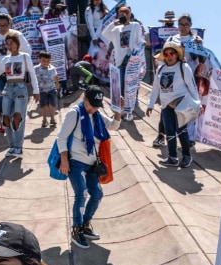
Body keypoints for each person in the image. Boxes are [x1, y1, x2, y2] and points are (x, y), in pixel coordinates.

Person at [57, 85, 121, 249]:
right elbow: (61, 138)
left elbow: (113, 126)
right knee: (81, 193)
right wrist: (64, 160)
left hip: (92, 163)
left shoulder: (97, 115)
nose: (93, 108)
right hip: (76, 162)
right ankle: (76, 229)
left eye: (97, 105)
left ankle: (85, 224)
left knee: (97, 194)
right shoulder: (75, 113)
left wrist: (118, 111)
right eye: (91, 104)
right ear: (84, 99)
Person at [146, 40, 198, 168]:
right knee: (169, 131)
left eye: (172, 54)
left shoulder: (183, 67)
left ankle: (186, 156)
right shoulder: (161, 69)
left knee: (181, 130)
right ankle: (172, 157)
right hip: (166, 105)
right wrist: (150, 104)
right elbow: (155, 88)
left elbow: (192, 86)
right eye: (167, 54)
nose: (169, 57)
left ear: (176, 55)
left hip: (181, 102)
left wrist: (198, 103)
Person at [0, 32, 39, 157]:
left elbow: (32, 74)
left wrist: (36, 90)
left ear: (17, 43)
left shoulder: (24, 56)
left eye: (12, 43)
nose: (9, 46)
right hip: (7, 88)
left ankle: (18, 147)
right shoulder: (5, 59)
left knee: (18, 117)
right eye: (7, 44)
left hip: (21, 88)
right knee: (5, 118)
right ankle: (11, 146)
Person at [0, 13, 32, 132]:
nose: (2, 28)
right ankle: (4, 120)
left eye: (5, 25)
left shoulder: (17, 35)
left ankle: (15, 119)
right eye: (0, 25)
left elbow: (28, 51)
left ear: (10, 24)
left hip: (14, 71)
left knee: (15, 97)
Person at [101, 4, 143, 121]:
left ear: (129, 14)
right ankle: (121, 110)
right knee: (120, 86)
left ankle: (128, 111)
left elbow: (139, 41)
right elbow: (104, 33)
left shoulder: (135, 25)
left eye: (125, 13)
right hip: (120, 61)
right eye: (120, 14)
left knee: (129, 86)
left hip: (131, 61)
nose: (123, 16)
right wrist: (114, 23)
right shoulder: (116, 29)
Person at [35, 50, 59, 129]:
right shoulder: (36, 69)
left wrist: (57, 83)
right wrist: (35, 90)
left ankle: (52, 118)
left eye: (48, 61)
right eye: (43, 61)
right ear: (39, 59)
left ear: (50, 60)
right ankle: (44, 119)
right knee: (43, 105)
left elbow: (55, 76)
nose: (46, 62)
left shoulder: (52, 68)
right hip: (42, 91)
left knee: (52, 104)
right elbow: (33, 79)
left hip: (52, 89)